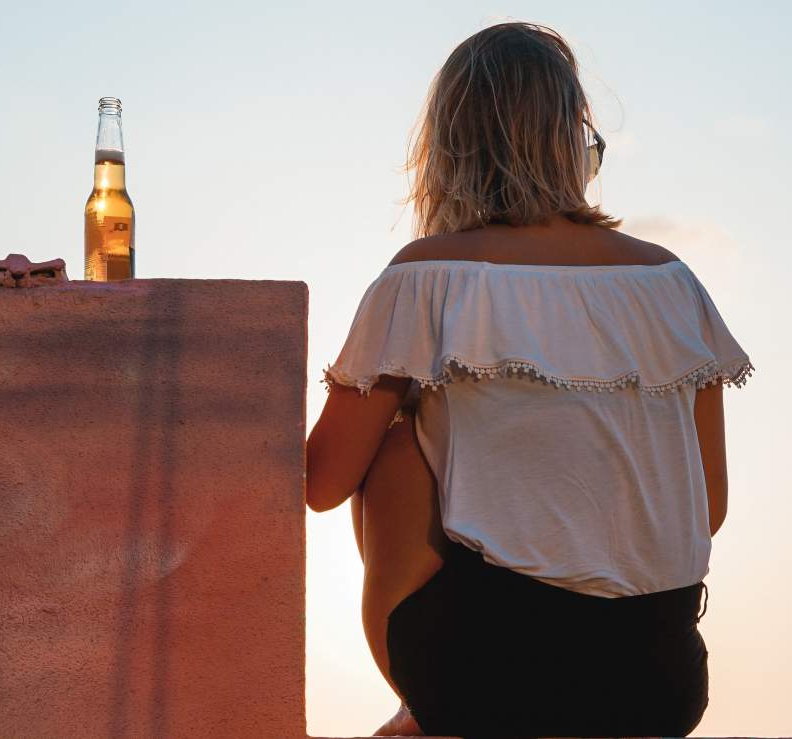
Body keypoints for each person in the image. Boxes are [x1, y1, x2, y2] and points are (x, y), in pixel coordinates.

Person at [306, 21, 755, 739]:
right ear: (570, 140)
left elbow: (322, 482)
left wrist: (422, 403)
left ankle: (418, 710)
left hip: (485, 680)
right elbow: (707, 506)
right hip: (659, 681)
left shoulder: (427, 276)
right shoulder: (674, 284)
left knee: (394, 448)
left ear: (448, 148)